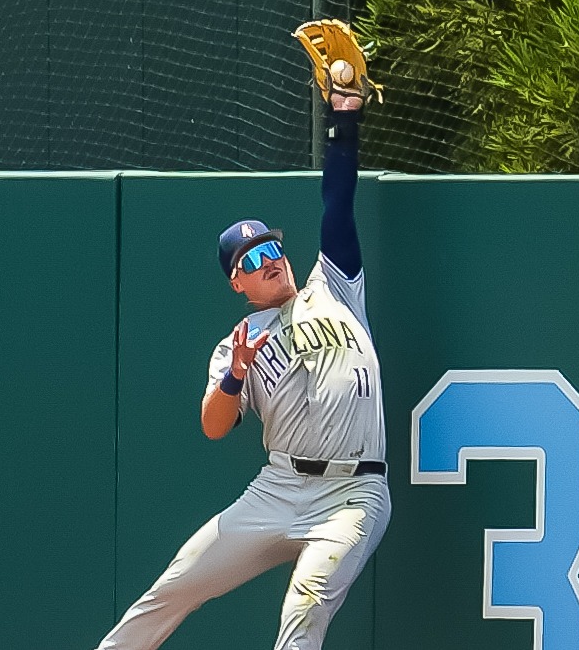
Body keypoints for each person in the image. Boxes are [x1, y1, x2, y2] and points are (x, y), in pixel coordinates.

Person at [94, 91, 389, 650]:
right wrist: (237, 374)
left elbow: (337, 204)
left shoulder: (336, 288)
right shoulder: (237, 343)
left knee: (303, 611)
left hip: (354, 493)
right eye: (250, 259)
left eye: (271, 247)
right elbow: (213, 424)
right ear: (238, 283)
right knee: (175, 585)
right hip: (279, 487)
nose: (269, 260)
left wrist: (343, 118)